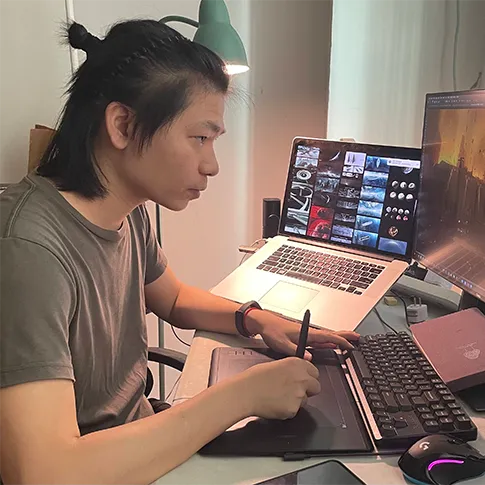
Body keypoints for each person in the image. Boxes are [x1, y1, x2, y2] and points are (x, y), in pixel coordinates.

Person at [0, 20, 359, 485]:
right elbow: (44, 472)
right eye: (200, 138)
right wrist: (241, 397)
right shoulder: (29, 249)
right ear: (123, 125)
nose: (211, 165)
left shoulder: (127, 210)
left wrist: (258, 319)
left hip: (144, 439)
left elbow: (172, 298)